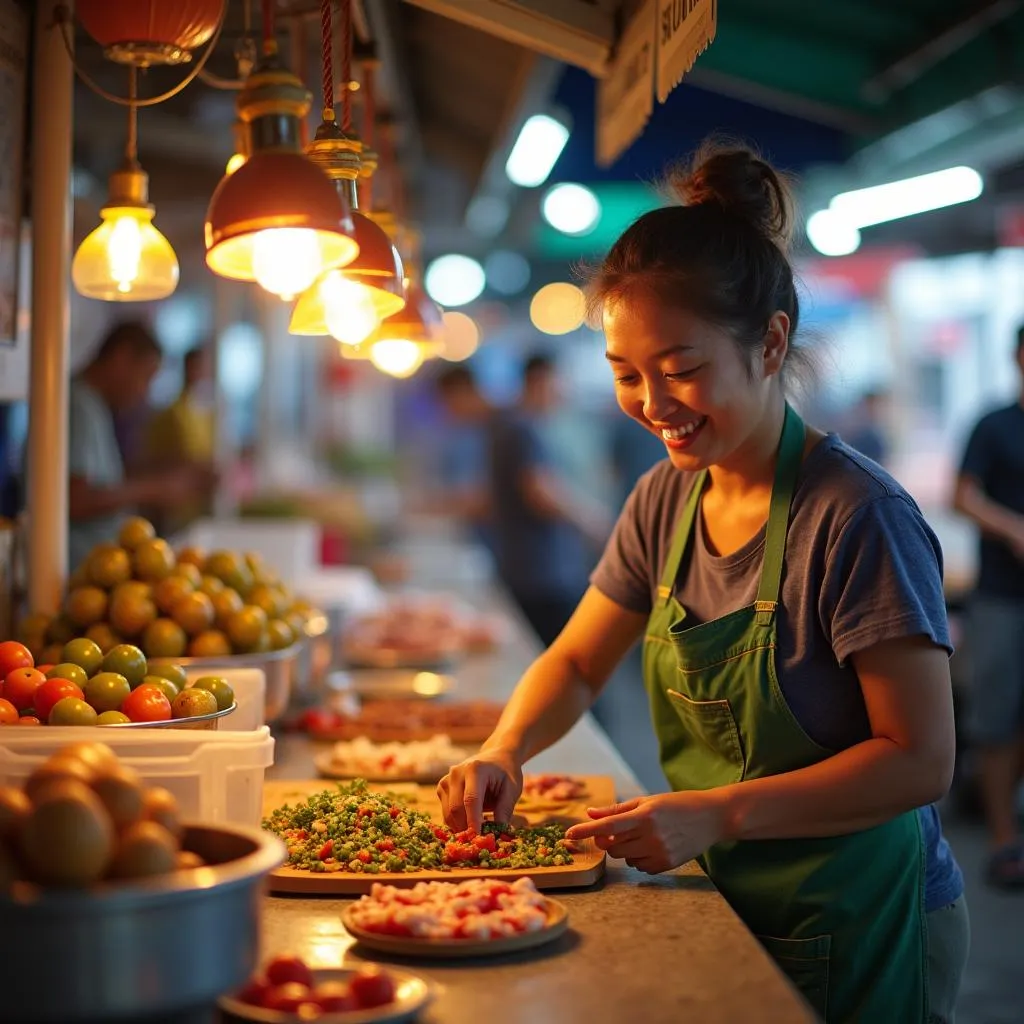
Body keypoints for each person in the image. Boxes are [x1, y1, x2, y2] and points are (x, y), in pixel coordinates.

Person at [438, 144, 968, 1024]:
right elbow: (574, 665)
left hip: (860, 913)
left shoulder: (856, 518)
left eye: (681, 369)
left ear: (769, 342)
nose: (653, 402)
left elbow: (920, 760)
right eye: (625, 374)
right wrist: (504, 748)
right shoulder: (665, 498)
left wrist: (718, 814)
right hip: (726, 894)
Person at [952, 326, 1024, 888]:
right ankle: (1003, 838)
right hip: (1003, 596)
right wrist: (1011, 528)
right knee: (996, 718)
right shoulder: (994, 424)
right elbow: (963, 495)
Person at [487, 353, 610, 647]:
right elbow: (539, 493)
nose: (561, 391)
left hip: (526, 567)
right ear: (539, 380)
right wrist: (591, 520)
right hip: (541, 572)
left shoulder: (511, 425)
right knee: (566, 659)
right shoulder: (522, 429)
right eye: (557, 382)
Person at [68, 321, 209, 568]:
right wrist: (154, 489)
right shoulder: (78, 405)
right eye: (146, 377)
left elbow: (104, 482)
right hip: (77, 573)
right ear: (121, 358)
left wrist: (166, 470)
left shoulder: (94, 405)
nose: (144, 392)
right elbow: (75, 499)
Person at [144, 344, 217, 535]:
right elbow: (153, 460)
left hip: (198, 504)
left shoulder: (203, 412)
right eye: (197, 367)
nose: (201, 373)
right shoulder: (171, 413)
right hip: (175, 505)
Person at [429, 364, 493, 544]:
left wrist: (445, 507)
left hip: (499, 539)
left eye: (447, 402)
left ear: (462, 392)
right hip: (473, 534)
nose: (447, 410)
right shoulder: (460, 433)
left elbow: (488, 496)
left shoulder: (499, 431)